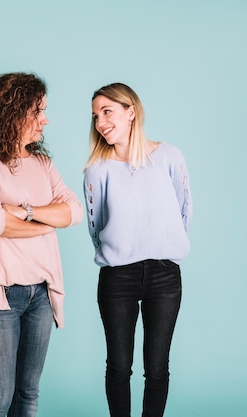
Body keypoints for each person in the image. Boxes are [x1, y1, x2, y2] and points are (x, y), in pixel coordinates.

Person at [0, 72, 83, 417]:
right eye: (37, 110)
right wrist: (46, 223)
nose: (45, 119)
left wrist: (25, 213)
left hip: (40, 293)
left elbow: (74, 211)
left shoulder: (42, 162)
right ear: (11, 112)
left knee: (28, 396)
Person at [83, 82, 192, 417]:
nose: (101, 122)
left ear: (131, 112)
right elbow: (95, 224)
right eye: (96, 116)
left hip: (164, 275)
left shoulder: (169, 156)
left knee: (157, 367)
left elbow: (184, 209)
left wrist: (162, 243)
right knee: (119, 365)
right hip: (118, 276)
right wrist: (122, 249)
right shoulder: (96, 170)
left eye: (107, 111)